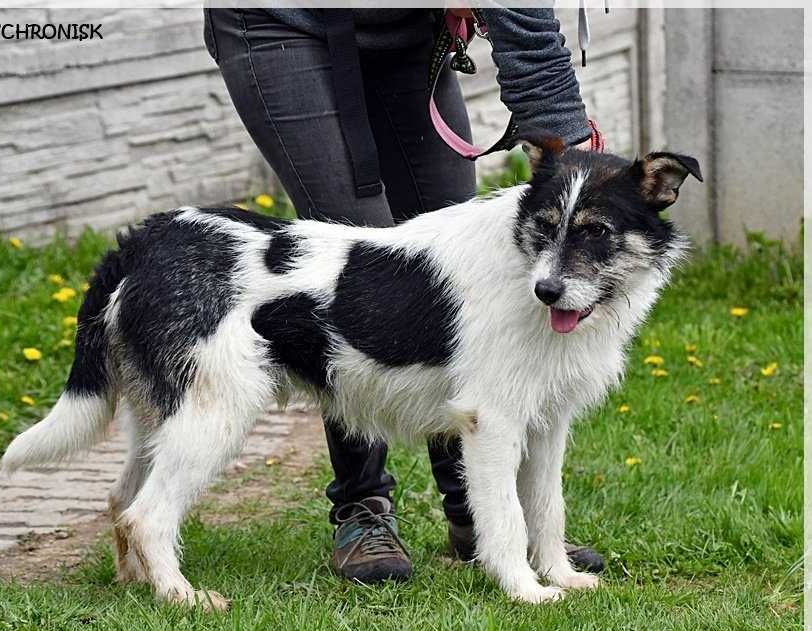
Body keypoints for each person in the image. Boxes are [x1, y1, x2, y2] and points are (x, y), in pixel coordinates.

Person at [202, 7, 605, 584]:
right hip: (283, 23)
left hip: (410, 31)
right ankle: (362, 507)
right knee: (357, 283)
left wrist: (564, 140)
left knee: (454, 260)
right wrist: (560, 126)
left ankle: (479, 515)